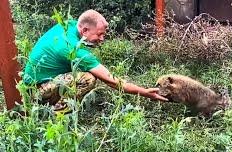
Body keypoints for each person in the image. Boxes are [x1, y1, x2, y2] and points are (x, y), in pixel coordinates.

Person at [22, 9, 168, 111]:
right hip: (34, 92)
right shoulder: (73, 49)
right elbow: (112, 80)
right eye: (99, 34)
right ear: (84, 30)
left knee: (78, 74)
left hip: (35, 82)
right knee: (87, 79)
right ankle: (60, 115)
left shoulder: (71, 25)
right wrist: (144, 92)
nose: (102, 39)